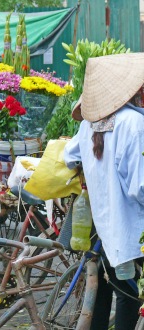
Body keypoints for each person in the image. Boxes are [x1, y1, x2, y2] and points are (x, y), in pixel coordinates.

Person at [63, 53, 144, 330]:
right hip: (130, 229)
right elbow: (140, 187)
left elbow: (68, 155)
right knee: (129, 297)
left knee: (102, 293)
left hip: (102, 228)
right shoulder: (134, 124)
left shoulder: (89, 124)